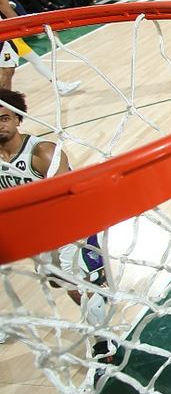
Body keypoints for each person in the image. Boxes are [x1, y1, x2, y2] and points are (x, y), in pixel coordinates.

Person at [0, 89, 110, 361]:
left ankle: (102, 342)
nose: (0, 125)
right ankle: (97, 288)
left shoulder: (43, 153)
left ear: (17, 118)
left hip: (71, 227)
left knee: (78, 285)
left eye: (4, 118)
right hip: (38, 235)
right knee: (60, 283)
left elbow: (68, 201)